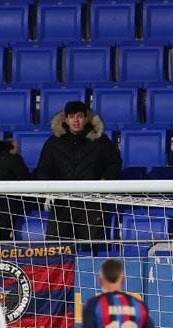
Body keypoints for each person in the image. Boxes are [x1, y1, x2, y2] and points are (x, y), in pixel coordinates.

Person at [35, 101, 122, 243]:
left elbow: (114, 164)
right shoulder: (53, 143)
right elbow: (43, 169)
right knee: (55, 249)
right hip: (61, 202)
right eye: (71, 117)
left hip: (91, 202)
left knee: (91, 248)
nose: (76, 120)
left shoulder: (100, 141)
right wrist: (47, 192)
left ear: (86, 118)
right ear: (66, 120)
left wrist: (105, 181)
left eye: (79, 116)